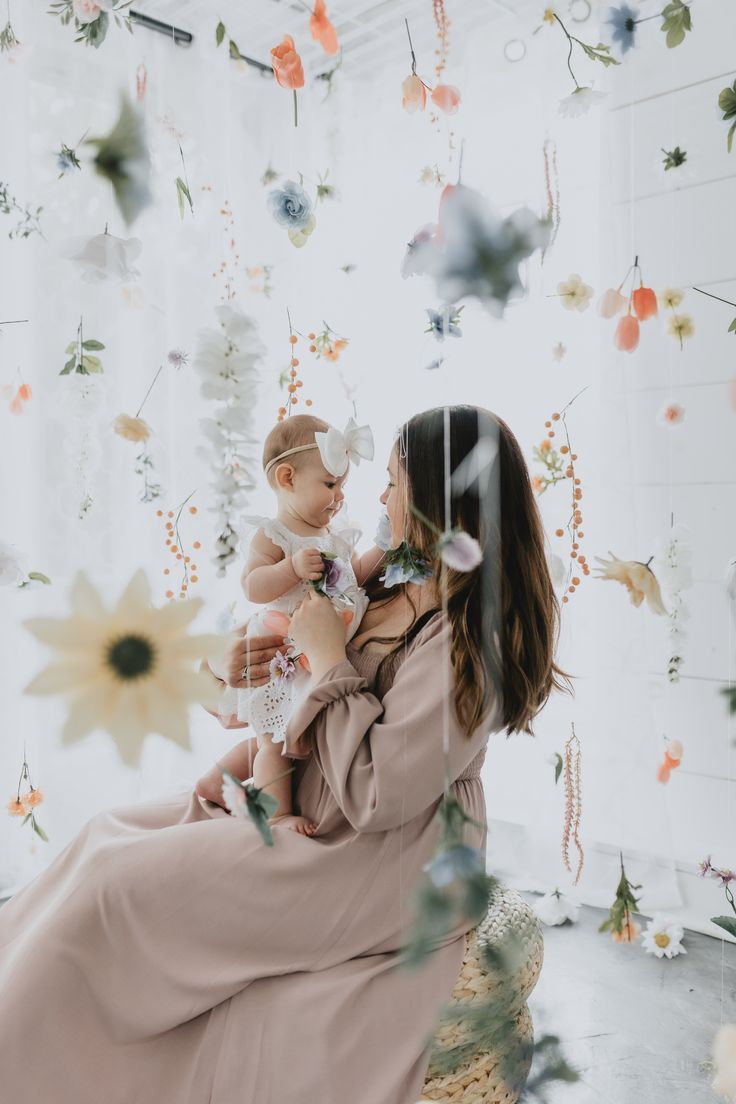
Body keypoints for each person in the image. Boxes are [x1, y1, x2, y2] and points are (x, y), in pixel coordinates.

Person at [0, 405, 571, 1104]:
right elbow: (293, 691)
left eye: (393, 482)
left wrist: (329, 654)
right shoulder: (389, 575)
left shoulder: (464, 643)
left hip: (381, 853)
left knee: (112, 891)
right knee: (101, 840)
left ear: (435, 497)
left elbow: (378, 793)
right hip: (305, 800)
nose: (380, 498)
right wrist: (237, 672)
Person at [195, 414, 385, 835]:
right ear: (287, 478)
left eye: (342, 487)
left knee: (288, 732)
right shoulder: (274, 535)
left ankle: (216, 781)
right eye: (330, 485)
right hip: (280, 650)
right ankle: (276, 815)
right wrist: (291, 568)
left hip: (309, 650)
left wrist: (385, 549)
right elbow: (253, 586)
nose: (338, 497)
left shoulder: (332, 532)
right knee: (274, 743)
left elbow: (355, 572)